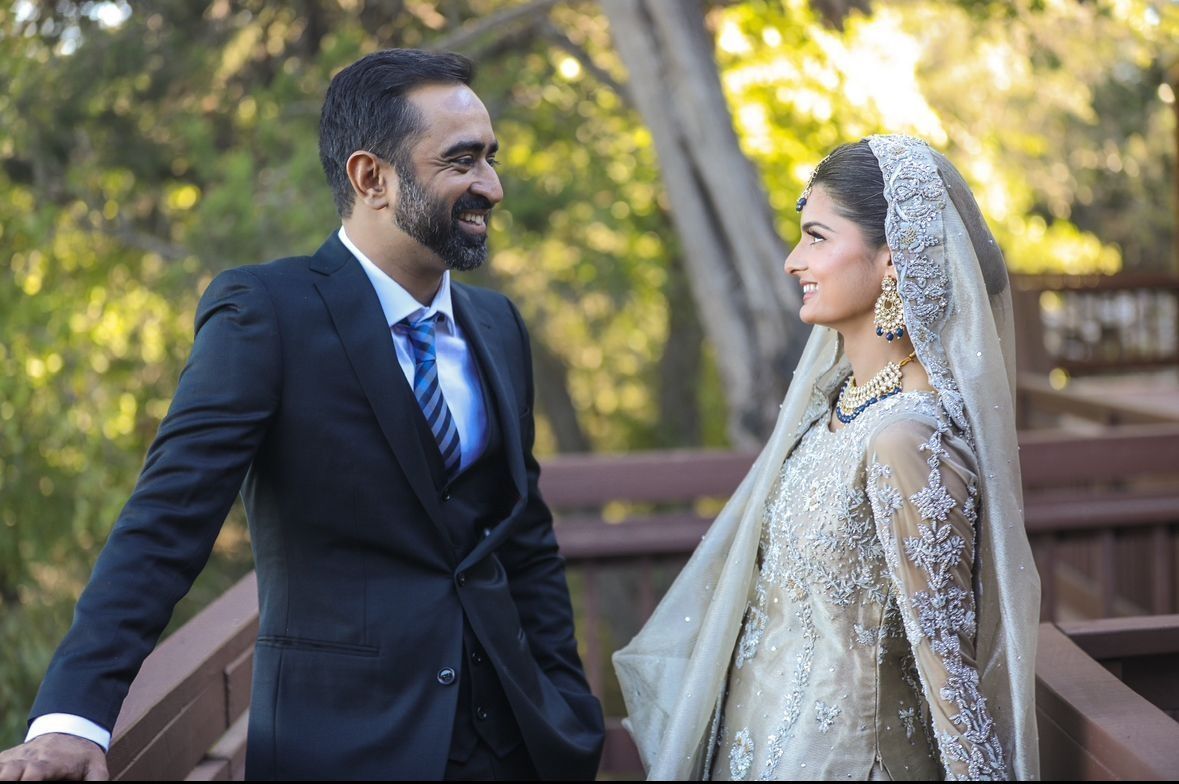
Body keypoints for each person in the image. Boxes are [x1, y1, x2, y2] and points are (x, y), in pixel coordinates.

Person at [0, 48, 604, 781]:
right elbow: (166, 523)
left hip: (514, 746)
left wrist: (567, 704)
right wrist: (71, 721)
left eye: (490, 158)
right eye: (462, 160)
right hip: (344, 749)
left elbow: (523, 534)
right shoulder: (266, 314)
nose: (492, 186)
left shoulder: (498, 325)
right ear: (371, 178)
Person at [614, 135, 1040, 780]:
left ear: (892, 261)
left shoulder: (907, 440)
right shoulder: (836, 407)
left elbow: (947, 669)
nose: (793, 262)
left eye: (816, 237)